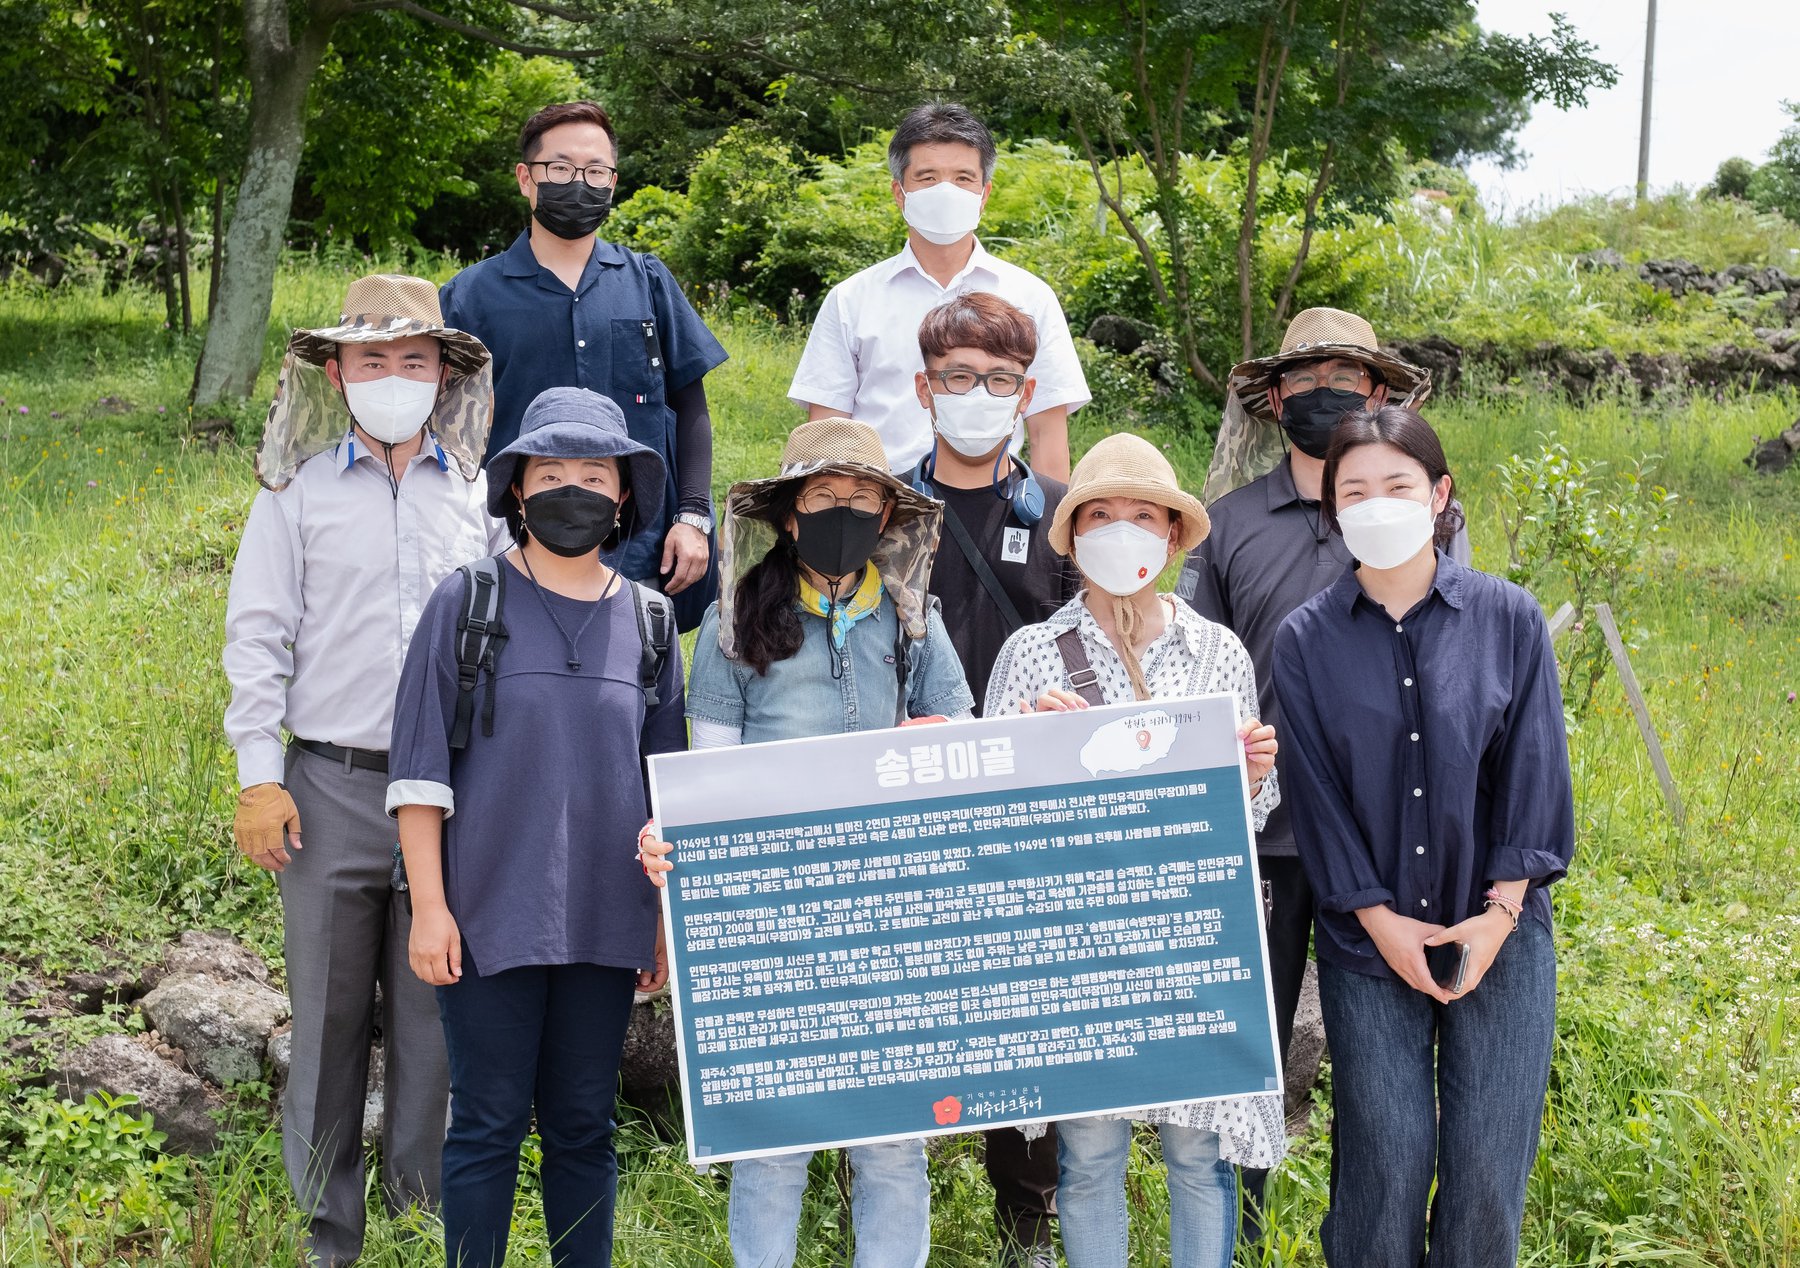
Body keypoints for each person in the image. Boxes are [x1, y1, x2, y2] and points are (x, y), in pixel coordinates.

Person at [223, 273, 508, 1266]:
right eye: (373, 359)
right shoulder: (296, 495)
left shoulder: (479, 497)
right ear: (337, 370)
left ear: (445, 374)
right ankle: (324, 1230)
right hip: (328, 789)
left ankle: (418, 1219)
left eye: (413, 360)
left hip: (453, 791)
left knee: (435, 1017)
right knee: (331, 1016)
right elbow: (258, 637)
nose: (393, 376)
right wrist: (263, 773)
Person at [665, 416, 975, 1268]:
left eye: (862, 499)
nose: (843, 512)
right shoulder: (735, 624)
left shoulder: (914, 622)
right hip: (776, 914)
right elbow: (712, 772)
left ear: (886, 518)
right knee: (775, 1140)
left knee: (893, 1142)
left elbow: (955, 741)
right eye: (824, 498)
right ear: (791, 516)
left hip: (892, 915)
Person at [387, 387, 685, 1268]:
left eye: (594, 474)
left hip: (604, 920)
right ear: (516, 490)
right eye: (550, 473)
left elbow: (664, 788)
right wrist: (431, 909)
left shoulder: (652, 622)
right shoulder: (466, 603)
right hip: (484, 917)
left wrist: (661, 918)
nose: (572, 490)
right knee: (484, 1124)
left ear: (625, 493)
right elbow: (418, 776)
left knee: (584, 1128)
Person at [1272, 406, 1574, 1268]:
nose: (1376, 503)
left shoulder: (1508, 620)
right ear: (1332, 509)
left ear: (1439, 494)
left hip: (1500, 932)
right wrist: (1378, 921)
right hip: (1369, 941)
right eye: (1353, 489)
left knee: (1486, 1168)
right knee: (1385, 1163)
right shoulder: (1305, 641)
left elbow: (1535, 772)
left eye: (1397, 485)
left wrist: (1499, 915)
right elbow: (1317, 798)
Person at [1170, 306, 1442, 1238]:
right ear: (1275, 397)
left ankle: (1366, 1234)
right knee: (1252, 1034)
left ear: (1378, 394)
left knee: (1383, 1058)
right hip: (1269, 833)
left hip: (1388, 835)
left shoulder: (1415, 518)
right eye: (1304, 379)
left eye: (1345, 379)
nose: (1324, 394)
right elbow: (1195, 666)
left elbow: (1452, 649)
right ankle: (1238, 1231)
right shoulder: (1231, 525)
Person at [984, 433, 1287, 1268]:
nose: (1122, 531)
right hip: (1077, 943)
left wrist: (1256, 771)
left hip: (1191, 939)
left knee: (1197, 1155)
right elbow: (993, 824)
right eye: (1102, 516)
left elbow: (1247, 818)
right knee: (1089, 1157)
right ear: (1074, 535)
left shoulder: (1217, 652)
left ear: (1173, 538)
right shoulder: (1032, 655)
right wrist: (1025, 749)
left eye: (1142, 516)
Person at [906, 291, 1075, 1264]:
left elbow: (1089, 643)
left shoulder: (1055, 514)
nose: (978, 393)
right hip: (908, 789)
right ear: (925, 387)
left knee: (1022, 1008)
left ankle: (1028, 1210)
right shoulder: (878, 500)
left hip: (1025, 796)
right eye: (960, 376)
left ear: (1026, 392)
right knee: (900, 996)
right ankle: (877, 1193)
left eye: (999, 379)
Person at [441, 99, 729, 630]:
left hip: (637, 547)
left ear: (613, 182)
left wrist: (692, 517)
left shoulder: (648, 282)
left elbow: (691, 407)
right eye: (561, 168)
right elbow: (448, 433)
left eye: (596, 171)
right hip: (516, 544)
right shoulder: (470, 298)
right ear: (526, 179)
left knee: (637, 693)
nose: (580, 182)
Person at [789, 101, 1090, 479]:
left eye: (964, 178)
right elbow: (826, 434)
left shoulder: (1029, 296)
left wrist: (1047, 529)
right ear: (900, 193)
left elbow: (1046, 432)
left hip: (993, 508)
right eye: (928, 178)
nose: (946, 191)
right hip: (880, 509)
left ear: (984, 194)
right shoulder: (852, 299)